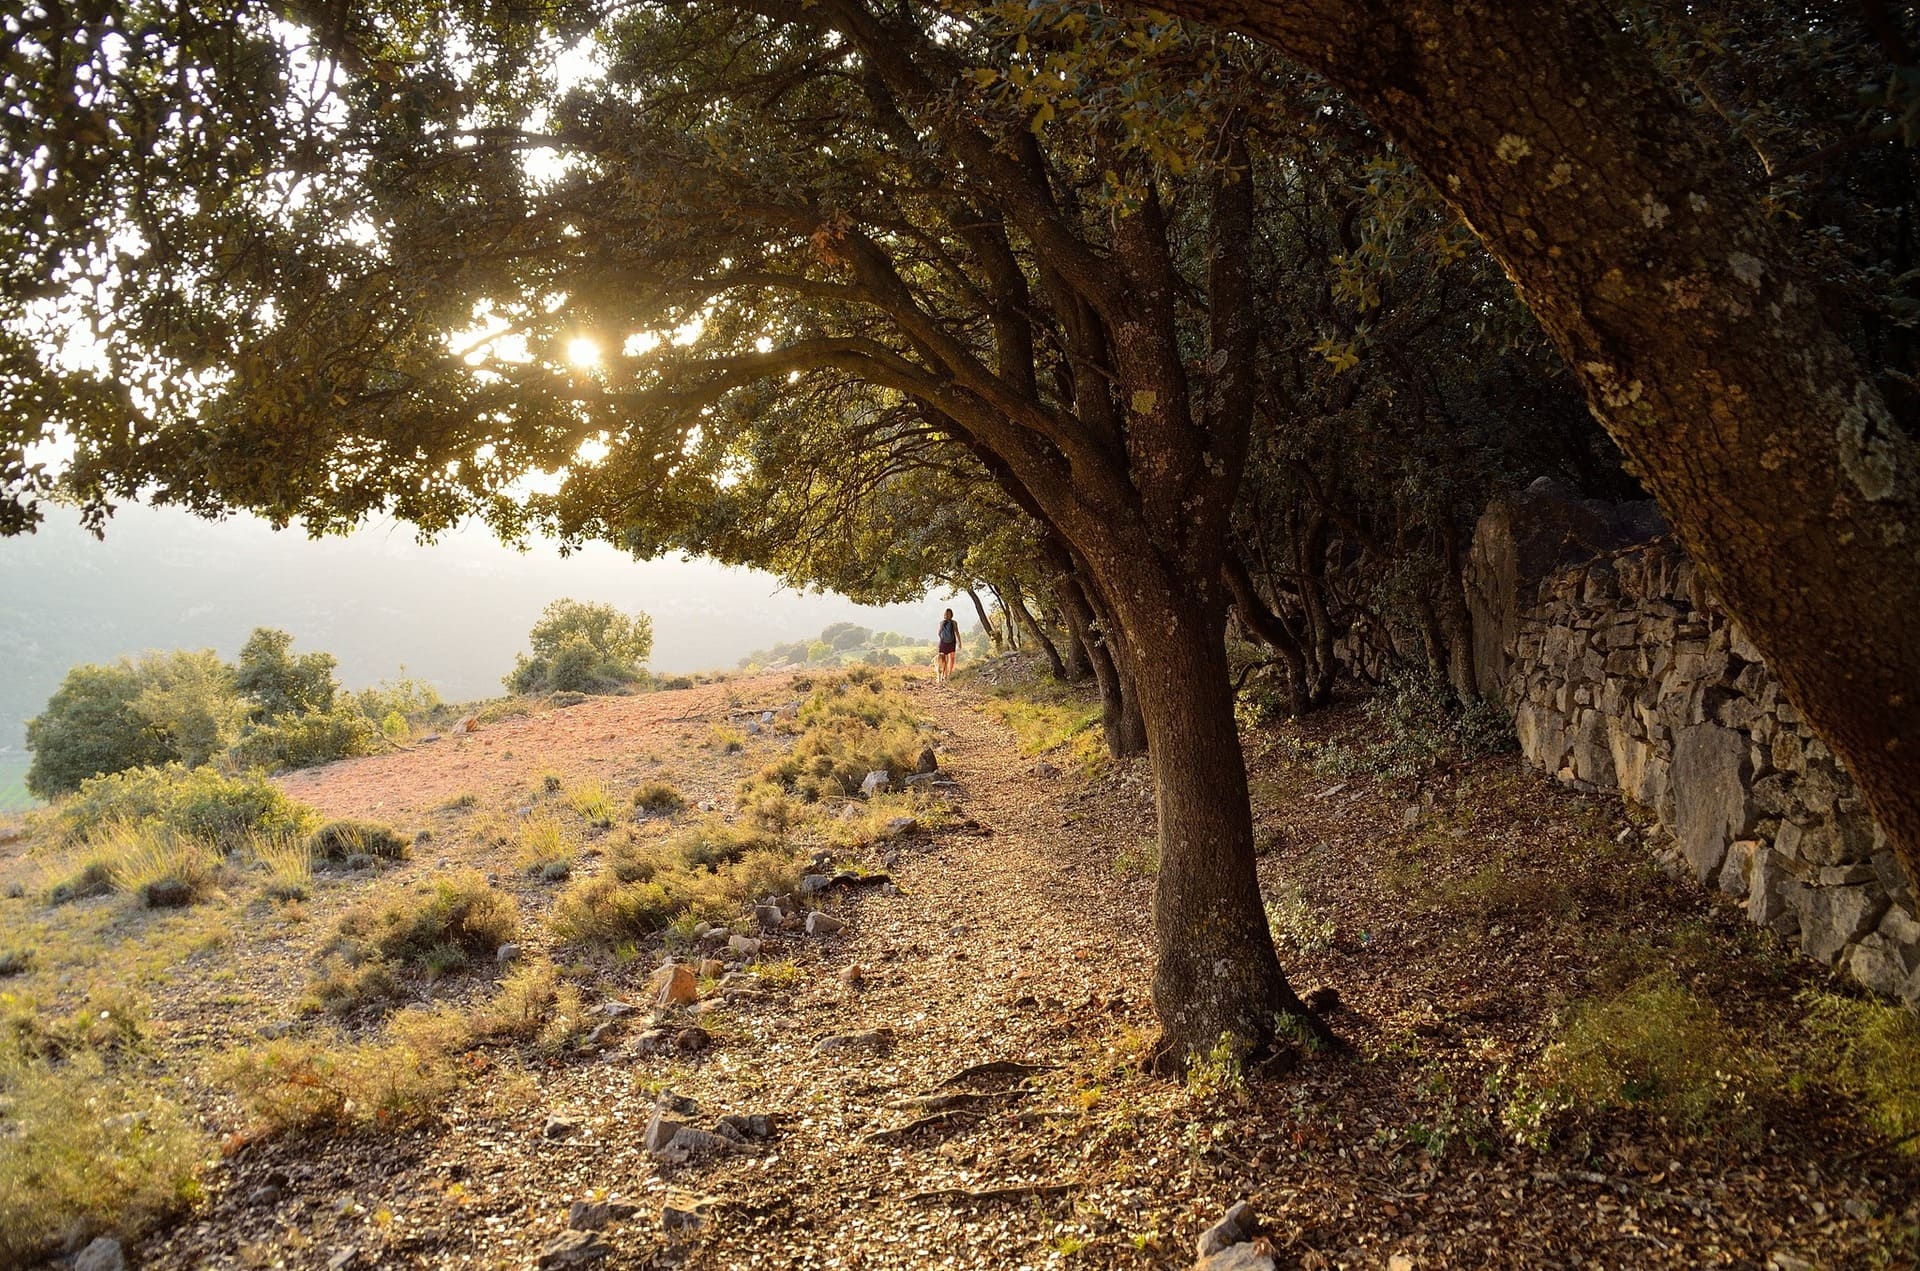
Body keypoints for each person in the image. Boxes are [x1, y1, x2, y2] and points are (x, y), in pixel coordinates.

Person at [935, 608, 961, 681]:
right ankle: (946, 674)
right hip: (948, 641)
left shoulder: (947, 622)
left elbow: (956, 632)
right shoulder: (949, 622)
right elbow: (939, 632)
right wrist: (942, 639)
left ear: (951, 614)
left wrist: (959, 642)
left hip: (948, 642)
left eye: (949, 613)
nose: (948, 615)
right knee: (945, 659)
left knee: (951, 658)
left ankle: (949, 673)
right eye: (947, 614)